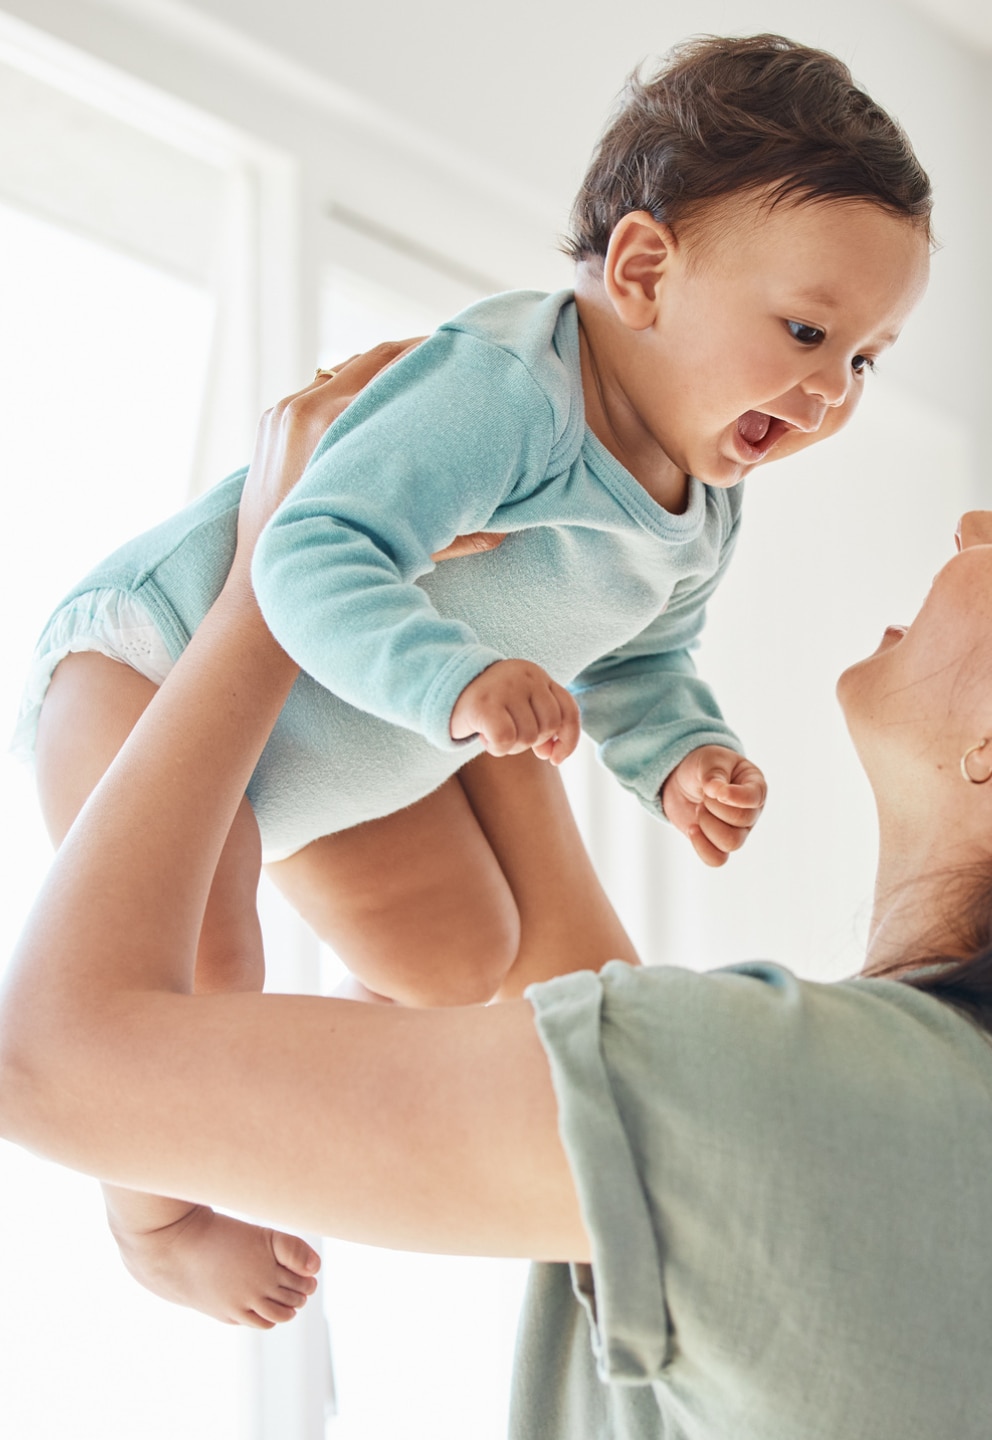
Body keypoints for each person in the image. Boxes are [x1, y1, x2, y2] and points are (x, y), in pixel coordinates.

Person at [4, 355, 992, 1440]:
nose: (980, 516)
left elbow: (57, 1063)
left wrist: (276, 570)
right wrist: (477, 624)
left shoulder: (799, 1104)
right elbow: (573, 988)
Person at [8, 33, 933, 1325]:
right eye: (807, 331)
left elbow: (643, 657)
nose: (831, 390)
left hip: (347, 737)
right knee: (204, 977)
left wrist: (678, 756)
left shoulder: (703, 506)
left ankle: (316, 1085)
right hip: (157, 665)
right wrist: (459, 683)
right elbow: (312, 547)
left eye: (864, 360)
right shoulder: (509, 392)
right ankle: (152, 1220)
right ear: (645, 269)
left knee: (460, 956)